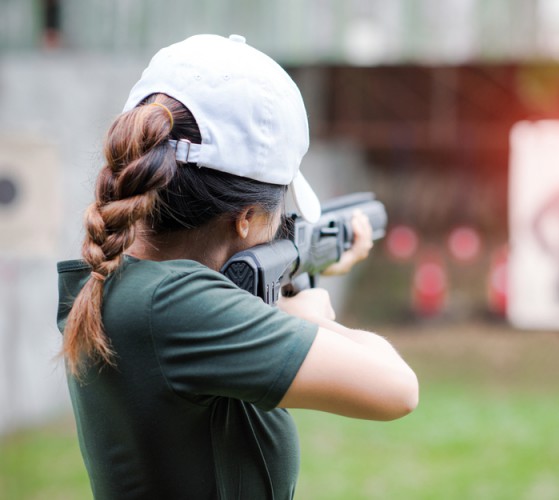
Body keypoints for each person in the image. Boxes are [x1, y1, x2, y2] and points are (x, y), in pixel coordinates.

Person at [56, 34, 418, 499]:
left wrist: (293, 284)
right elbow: (398, 388)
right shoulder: (171, 306)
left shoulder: (119, 286)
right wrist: (303, 316)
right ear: (246, 219)